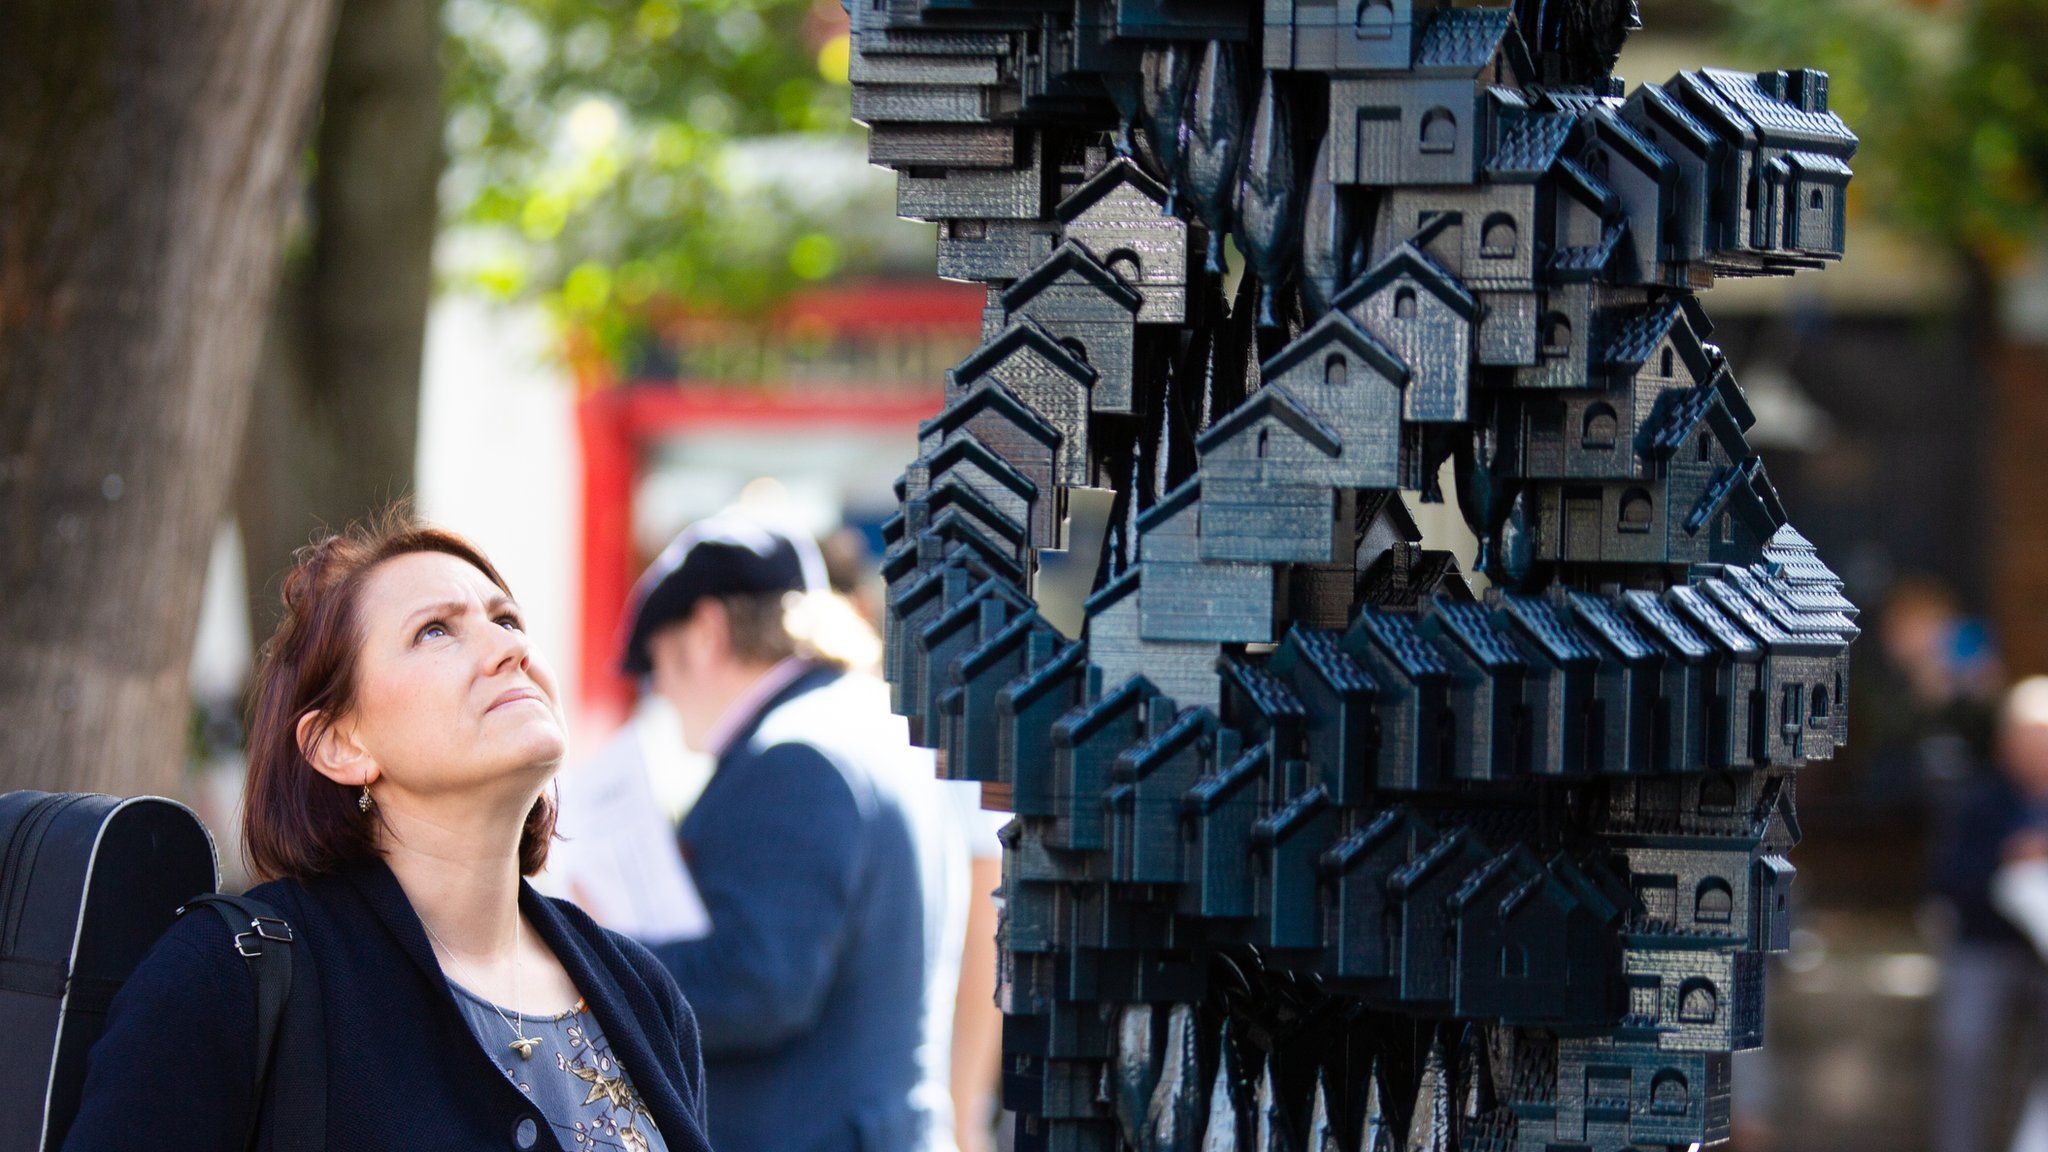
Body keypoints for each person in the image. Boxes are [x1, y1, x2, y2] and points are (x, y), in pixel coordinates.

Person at [63, 514, 710, 1152]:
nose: (509, 648)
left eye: (507, 620)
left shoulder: (639, 992)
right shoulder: (226, 977)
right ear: (340, 745)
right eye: (434, 631)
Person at [591, 509, 977, 1152]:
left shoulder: (793, 760)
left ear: (707, 632)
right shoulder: (867, 723)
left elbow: (755, 986)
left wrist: (602, 953)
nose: (659, 691)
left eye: (657, 663)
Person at [1930, 676, 2048, 1152]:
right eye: (2028, 741)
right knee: (1964, 1042)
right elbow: (1948, 882)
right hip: (1986, 948)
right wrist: (2006, 862)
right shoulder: (1979, 800)